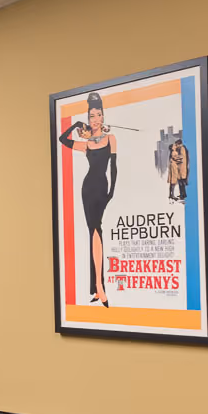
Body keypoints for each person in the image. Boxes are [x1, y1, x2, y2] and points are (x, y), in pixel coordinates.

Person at [59, 91, 118, 304]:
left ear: (103, 116)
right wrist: (75, 125)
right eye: (91, 116)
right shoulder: (86, 144)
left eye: (98, 115)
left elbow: (114, 167)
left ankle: (99, 286)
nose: (95, 119)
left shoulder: (110, 138)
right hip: (87, 189)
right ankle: (97, 288)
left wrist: (111, 192)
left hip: (102, 187)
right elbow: (62, 140)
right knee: (93, 231)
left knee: (96, 231)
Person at [167, 137, 189, 203]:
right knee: (179, 182)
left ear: (179, 144)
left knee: (181, 182)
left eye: (176, 144)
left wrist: (177, 159)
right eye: (174, 145)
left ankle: (182, 195)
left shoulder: (182, 148)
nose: (175, 146)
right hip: (177, 168)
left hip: (181, 168)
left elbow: (182, 157)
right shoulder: (176, 151)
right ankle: (181, 194)